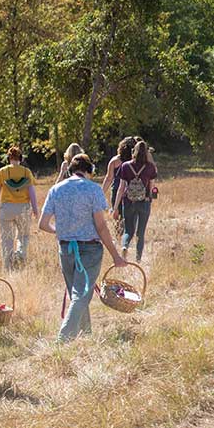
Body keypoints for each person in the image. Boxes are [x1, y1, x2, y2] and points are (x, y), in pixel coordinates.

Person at [39, 153, 130, 342]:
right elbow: (101, 226)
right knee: (81, 295)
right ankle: (63, 339)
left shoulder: (55, 190)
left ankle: (86, 335)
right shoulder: (93, 190)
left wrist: (61, 231)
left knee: (78, 295)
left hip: (65, 249)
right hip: (89, 250)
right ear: (89, 170)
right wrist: (115, 255)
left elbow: (43, 223)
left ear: (71, 170)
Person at [0, 146, 39, 268]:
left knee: (7, 238)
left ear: (8, 158)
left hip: (6, 208)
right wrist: (35, 209)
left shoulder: (2, 172)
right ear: (20, 158)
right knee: (23, 235)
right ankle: (20, 254)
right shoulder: (26, 172)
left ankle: (8, 266)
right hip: (23, 208)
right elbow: (31, 192)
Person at [113, 140, 159, 262]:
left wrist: (116, 207)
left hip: (128, 201)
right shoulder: (150, 167)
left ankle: (124, 246)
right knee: (141, 232)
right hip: (144, 201)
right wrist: (149, 197)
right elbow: (151, 186)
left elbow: (121, 188)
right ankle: (138, 259)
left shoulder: (126, 166)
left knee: (128, 230)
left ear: (134, 151)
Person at [102, 136, 136, 220]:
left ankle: (119, 233)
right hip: (132, 192)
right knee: (132, 220)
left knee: (118, 220)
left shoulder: (114, 161)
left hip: (117, 191)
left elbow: (109, 178)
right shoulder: (136, 161)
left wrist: (101, 193)